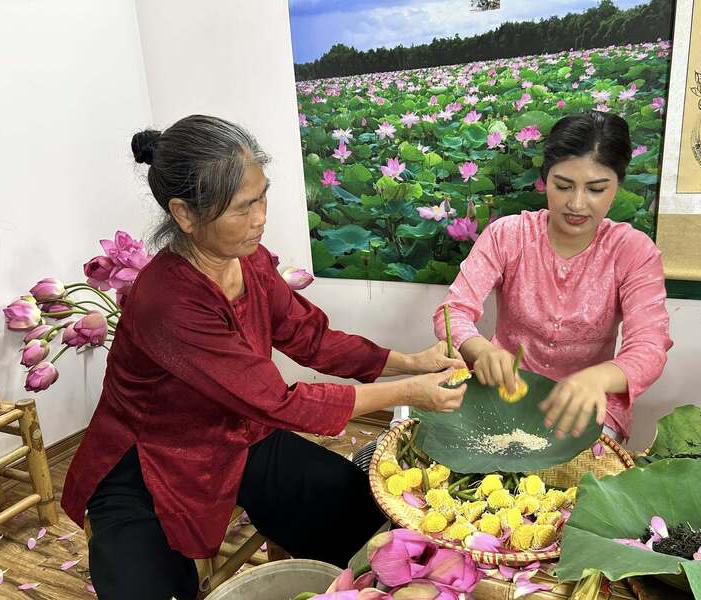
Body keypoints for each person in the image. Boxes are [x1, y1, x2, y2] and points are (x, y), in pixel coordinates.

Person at [61, 115, 467, 600]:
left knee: (362, 518)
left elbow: (309, 338)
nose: (260, 218)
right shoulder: (167, 300)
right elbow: (280, 403)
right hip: (146, 461)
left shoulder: (248, 259)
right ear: (185, 215)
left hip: (233, 429)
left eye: (262, 197)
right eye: (242, 207)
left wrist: (411, 362)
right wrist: (408, 392)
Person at [434, 111, 672, 443]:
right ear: (546, 178)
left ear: (617, 184)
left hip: (587, 407)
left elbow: (649, 347)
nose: (576, 204)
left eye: (595, 189)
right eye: (563, 186)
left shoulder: (632, 250)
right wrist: (482, 352)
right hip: (505, 393)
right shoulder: (508, 235)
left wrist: (597, 379)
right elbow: (453, 311)